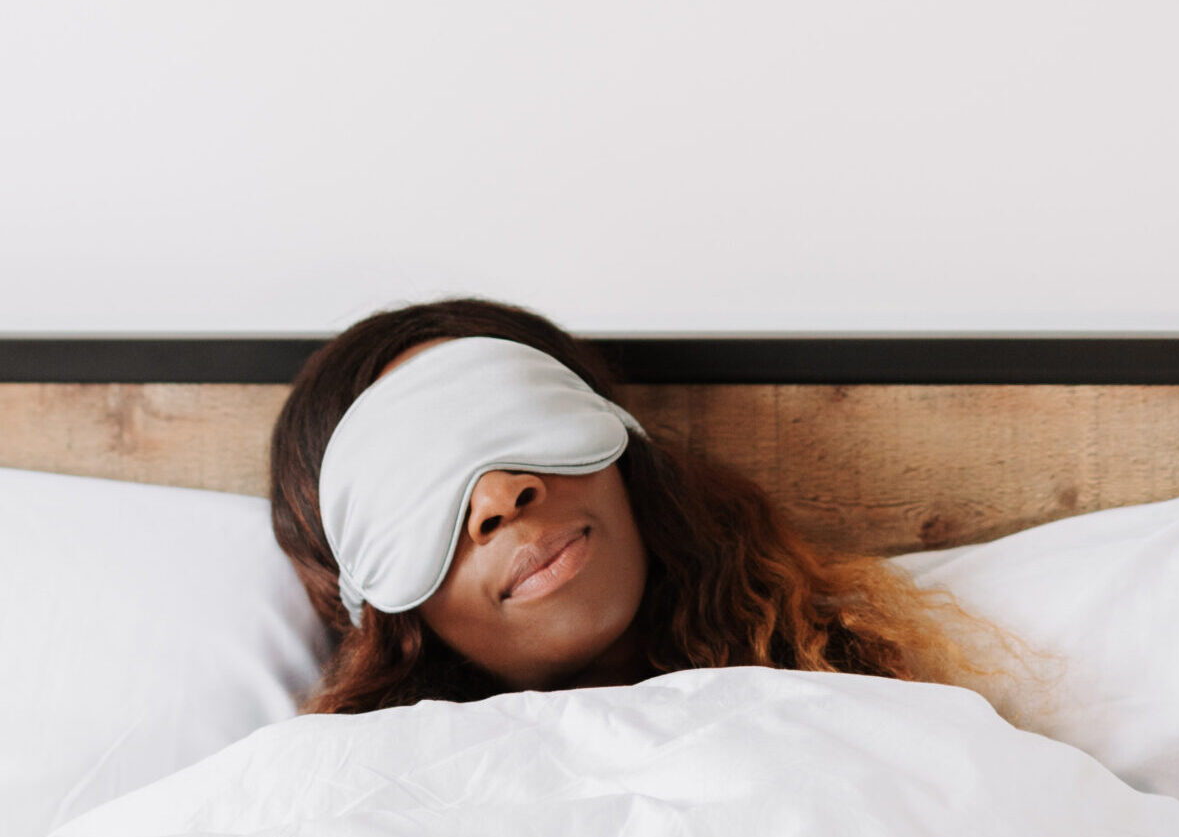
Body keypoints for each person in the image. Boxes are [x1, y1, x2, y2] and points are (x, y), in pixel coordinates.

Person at [270, 296, 1022, 715]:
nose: (499, 495)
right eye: (415, 487)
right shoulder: (330, 818)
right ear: (372, 607)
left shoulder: (883, 727)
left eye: (513, 423)